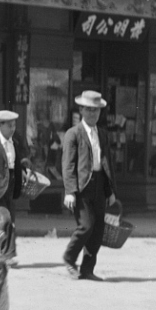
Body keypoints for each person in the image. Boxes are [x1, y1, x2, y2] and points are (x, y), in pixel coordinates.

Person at [61, 90, 118, 281]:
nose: (93, 114)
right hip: (82, 186)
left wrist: (110, 191)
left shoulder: (102, 134)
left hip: (99, 184)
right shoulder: (73, 134)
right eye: (89, 110)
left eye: (96, 110)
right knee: (86, 225)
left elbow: (107, 163)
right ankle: (69, 258)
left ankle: (87, 269)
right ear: (82, 110)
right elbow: (68, 165)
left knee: (98, 228)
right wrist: (70, 191)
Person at [0, 110, 31, 266]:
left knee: (10, 221)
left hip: (11, 187)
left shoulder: (14, 144)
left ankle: (5, 253)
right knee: (5, 219)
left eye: (14, 125)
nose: (12, 128)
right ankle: (4, 253)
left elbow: (17, 164)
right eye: (9, 125)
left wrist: (23, 171)